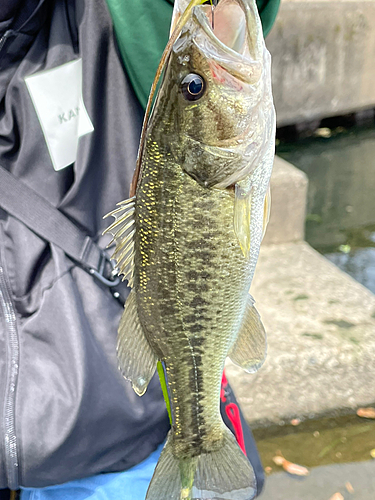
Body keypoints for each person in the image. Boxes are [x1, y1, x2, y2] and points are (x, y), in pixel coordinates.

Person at [0, 1, 279, 499]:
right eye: (195, 88)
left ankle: (196, 436)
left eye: (196, 89)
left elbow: (217, 28)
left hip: (122, 445)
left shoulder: (99, 17)